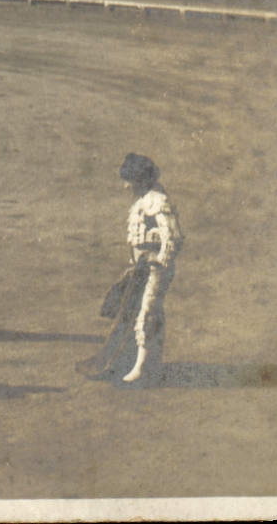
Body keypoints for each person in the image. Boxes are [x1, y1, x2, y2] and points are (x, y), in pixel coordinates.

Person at [85, 153, 184, 384]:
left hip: (155, 268)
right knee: (135, 311)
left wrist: (160, 261)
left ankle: (143, 368)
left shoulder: (158, 201)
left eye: (129, 180)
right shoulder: (143, 201)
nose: (125, 185)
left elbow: (173, 237)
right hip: (141, 268)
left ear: (140, 179)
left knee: (147, 312)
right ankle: (141, 363)